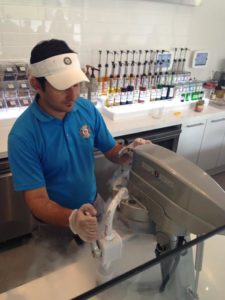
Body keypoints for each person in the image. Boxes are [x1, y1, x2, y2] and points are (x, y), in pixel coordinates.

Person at [8, 39, 150, 243]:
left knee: (101, 264)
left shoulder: (86, 109)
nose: (72, 95)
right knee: (61, 272)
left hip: (95, 205)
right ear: (36, 84)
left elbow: (111, 150)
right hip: (54, 223)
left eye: (76, 84)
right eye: (62, 86)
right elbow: (37, 200)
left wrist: (128, 152)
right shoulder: (23, 136)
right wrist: (73, 219)